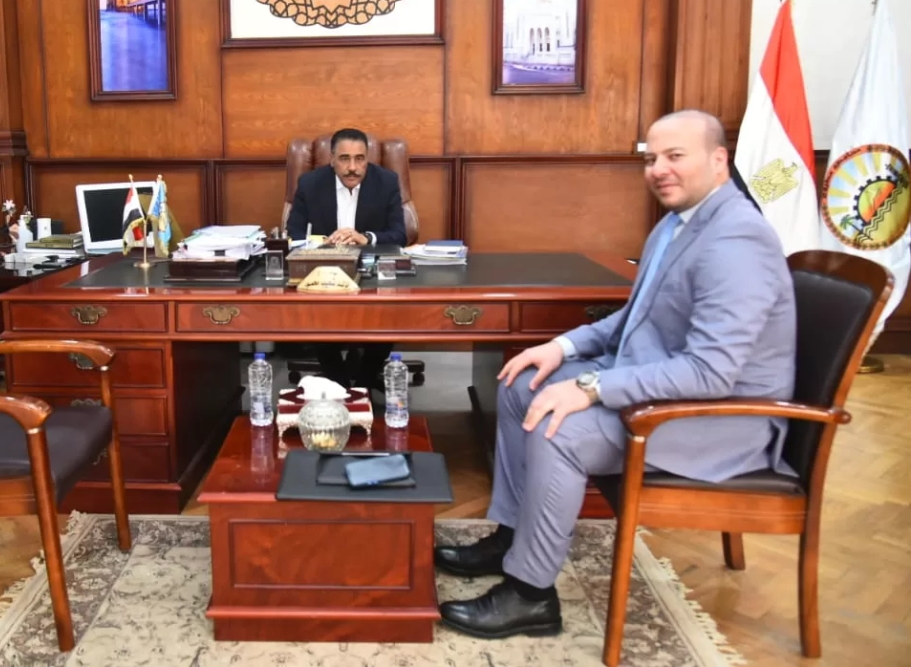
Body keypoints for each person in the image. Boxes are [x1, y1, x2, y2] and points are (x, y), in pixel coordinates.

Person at [434, 109, 797, 639]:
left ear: (719, 161)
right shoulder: (678, 224)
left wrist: (591, 387)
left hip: (717, 421)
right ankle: (512, 536)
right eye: (652, 158)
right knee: (520, 385)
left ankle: (530, 596)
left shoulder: (737, 240)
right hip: (662, 390)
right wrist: (560, 347)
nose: (659, 169)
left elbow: (711, 372)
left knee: (559, 427)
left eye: (676, 156)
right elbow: (635, 316)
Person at [285, 127, 407, 391]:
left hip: (371, 273)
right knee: (317, 314)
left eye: (359, 159)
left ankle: (363, 384)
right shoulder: (310, 184)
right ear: (332, 159)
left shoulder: (386, 182)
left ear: (367, 159)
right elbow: (294, 234)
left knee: (386, 313)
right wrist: (324, 243)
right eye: (344, 159)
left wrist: (366, 238)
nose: (352, 167)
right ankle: (338, 383)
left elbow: (400, 234)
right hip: (324, 272)